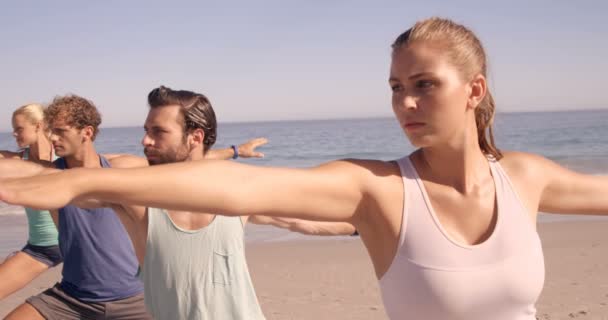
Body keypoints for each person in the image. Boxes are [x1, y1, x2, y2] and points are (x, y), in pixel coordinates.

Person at [3, 17, 604, 319]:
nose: (406, 103)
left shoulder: (526, 177)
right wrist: (72, 179)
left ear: (473, 90)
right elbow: (236, 186)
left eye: (425, 85)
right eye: (396, 87)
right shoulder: (379, 187)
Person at [0, 94, 267, 319]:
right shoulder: (47, 174)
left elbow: (181, 162)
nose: (53, 138)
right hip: (70, 298)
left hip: (134, 299)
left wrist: (234, 151)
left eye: (61, 131)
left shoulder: (122, 168)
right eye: (51, 131)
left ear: (87, 132)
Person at [0, 104, 62, 301]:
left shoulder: (65, 156)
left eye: (19, 128)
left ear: (38, 126)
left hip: (78, 244)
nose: (14, 134)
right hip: (41, 248)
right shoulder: (18, 161)